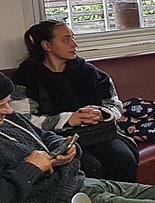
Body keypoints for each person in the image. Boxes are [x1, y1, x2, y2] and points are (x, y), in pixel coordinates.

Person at [0, 72, 155, 203]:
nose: (9, 110)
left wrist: (64, 147)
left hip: (76, 184)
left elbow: (45, 135)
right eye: (1, 105)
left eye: (8, 102)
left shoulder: (9, 119)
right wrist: (31, 168)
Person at [13, 20, 139, 182]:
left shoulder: (88, 72)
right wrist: (69, 119)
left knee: (123, 159)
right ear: (46, 46)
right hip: (57, 139)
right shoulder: (26, 79)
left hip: (99, 134)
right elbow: (22, 120)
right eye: (66, 40)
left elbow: (114, 103)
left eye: (73, 38)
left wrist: (102, 113)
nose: (74, 44)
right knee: (89, 167)